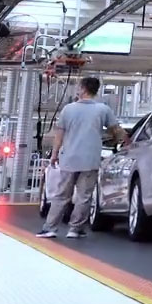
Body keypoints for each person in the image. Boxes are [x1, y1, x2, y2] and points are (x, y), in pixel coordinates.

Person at [38, 77, 122, 239]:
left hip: (69, 159)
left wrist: (54, 154)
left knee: (61, 195)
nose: (77, 89)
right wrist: (125, 142)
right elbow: (116, 130)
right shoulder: (103, 109)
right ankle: (75, 229)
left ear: (83, 89)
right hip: (90, 160)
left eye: (78, 87)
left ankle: (50, 228)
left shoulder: (68, 109)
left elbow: (59, 134)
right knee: (84, 197)